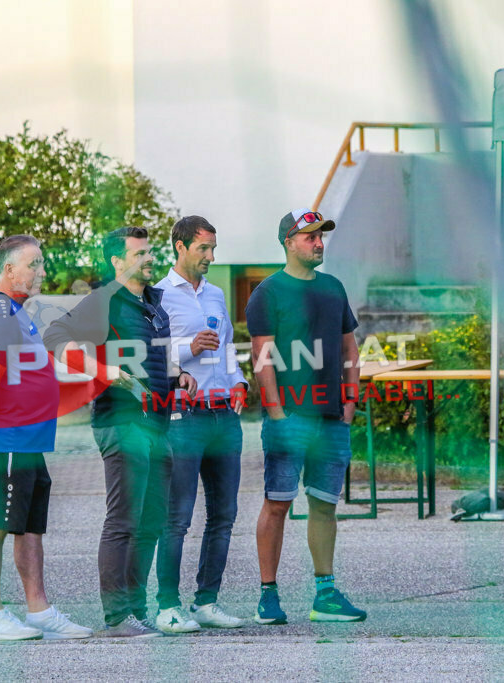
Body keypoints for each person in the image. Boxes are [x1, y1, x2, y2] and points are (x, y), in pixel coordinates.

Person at [44, 226, 197, 638]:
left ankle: (137, 609)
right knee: (124, 520)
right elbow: (54, 337)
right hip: (121, 423)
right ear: (117, 261)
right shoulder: (105, 300)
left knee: (150, 523)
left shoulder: (152, 303)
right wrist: (106, 372)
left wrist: (177, 374)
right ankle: (116, 617)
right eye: (139, 253)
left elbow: (157, 356)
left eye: (149, 251)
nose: (149, 258)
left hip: (159, 424)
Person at [0, 235, 92, 641]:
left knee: (29, 527)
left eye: (42, 263)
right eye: (34, 264)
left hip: (27, 438)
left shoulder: (15, 311)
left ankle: (39, 610)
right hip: (5, 437)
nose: (42, 271)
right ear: (9, 269)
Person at [245, 209, 368, 624]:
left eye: (321, 237)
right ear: (288, 242)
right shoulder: (268, 292)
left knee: (324, 506)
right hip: (290, 418)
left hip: (332, 419)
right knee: (278, 504)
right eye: (309, 237)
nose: (318, 244)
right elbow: (262, 356)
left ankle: (325, 595)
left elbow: (350, 351)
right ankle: (268, 595)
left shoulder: (333, 288)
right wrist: (277, 412)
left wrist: (349, 405)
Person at [152, 216, 247, 633]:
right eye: (203, 249)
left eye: (213, 248)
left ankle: (206, 602)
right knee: (178, 518)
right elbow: (149, 352)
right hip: (184, 418)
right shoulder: (158, 296)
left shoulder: (216, 294)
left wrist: (239, 380)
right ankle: (167, 605)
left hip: (224, 416)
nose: (210, 257)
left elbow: (226, 346)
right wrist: (186, 349)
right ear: (180, 246)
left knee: (224, 515)